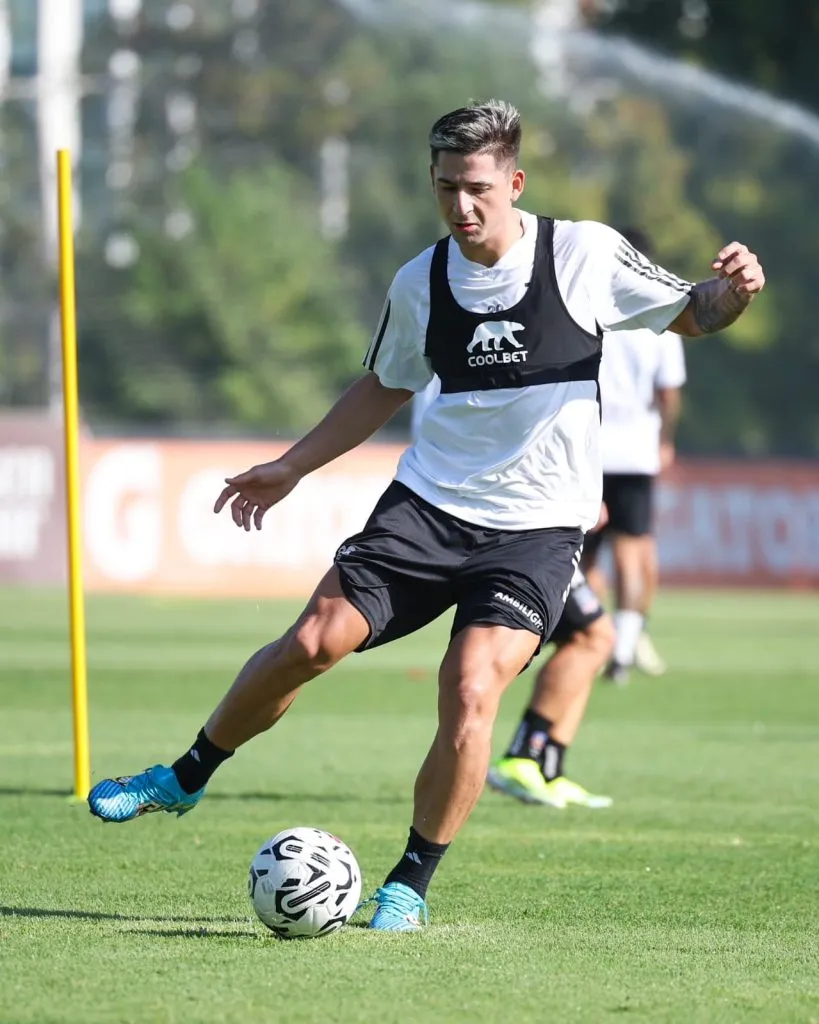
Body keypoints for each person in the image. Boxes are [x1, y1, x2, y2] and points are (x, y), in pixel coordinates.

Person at [87, 100, 765, 932]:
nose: (460, 206)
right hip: (427, 509)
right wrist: (292, 466)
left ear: (513, 182)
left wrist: (734, 287)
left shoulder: (582, 253)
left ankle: (407, 885)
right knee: (310, 642)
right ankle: (182, 777)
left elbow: (694, 313)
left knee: (470, 688)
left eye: (477, 188)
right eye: (445, 187)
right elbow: (383, 385)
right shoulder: (420, 280)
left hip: (536, 531)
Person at [414, 377, 615, 809]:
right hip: (516, 521)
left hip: (519, 509)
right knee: (595, 637)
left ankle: (548, 767)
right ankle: (525, 756)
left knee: (591, 638)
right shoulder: (487, 347)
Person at [580, 227, 687, 684]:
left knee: (581, 553)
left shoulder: (590, 307)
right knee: (631, 549)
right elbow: (669, 394)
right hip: (636, 449)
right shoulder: (660, 316)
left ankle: (584, 633)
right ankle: (622, 647)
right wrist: (665, 438)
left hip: (588, 446)